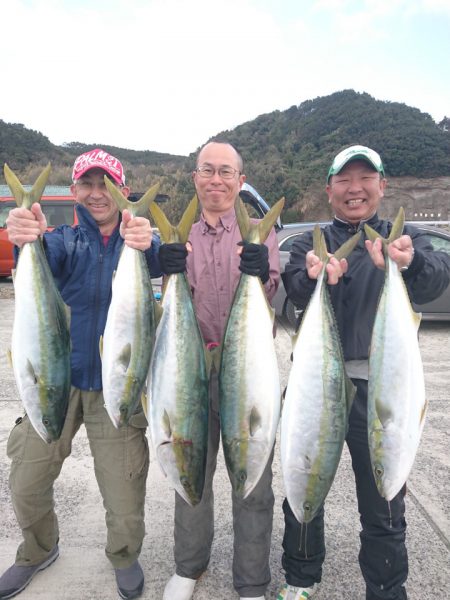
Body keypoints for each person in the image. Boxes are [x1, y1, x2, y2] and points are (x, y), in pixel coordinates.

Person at [277, 145, 450, 600]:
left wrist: (406, 262)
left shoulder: (405, 240)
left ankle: (386, 588)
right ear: (329, 189)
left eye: (365, 178)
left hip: (383, 387)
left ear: (382, 186)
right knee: (301, 484)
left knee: (385, 500)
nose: (355, 188)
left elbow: (436, 276)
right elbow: (294, 285)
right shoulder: (308, 244)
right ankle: (300, 579)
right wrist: (314, 278)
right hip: (318, 386)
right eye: (344, 180)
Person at [0, 148, 161, 600]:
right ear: (73, 192)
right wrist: (23, 234)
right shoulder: (64, 242)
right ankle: (37, 550)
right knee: (26, 480)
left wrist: (150, 241)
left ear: (122, 191)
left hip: (119, 387)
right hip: (57, 381)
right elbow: (39, 246)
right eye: (87, 184)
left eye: (105, 184)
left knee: (125, 496)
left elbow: (166, 260)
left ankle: (125, 555)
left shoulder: (141, 246)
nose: (96, 194)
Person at [157, 141, 281, 600]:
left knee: (253, 478)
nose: (216, 180)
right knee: (190, 468)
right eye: (207, 170)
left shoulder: (257, 232)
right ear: (195, 178)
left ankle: (251, 581)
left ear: (240, 180)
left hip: (246, 370)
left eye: (226, 172)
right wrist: (164, 268)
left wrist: (261, 272)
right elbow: (169, 302)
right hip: (189, 368)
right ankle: (189, 566)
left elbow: (270, 292)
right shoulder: (178, 231)